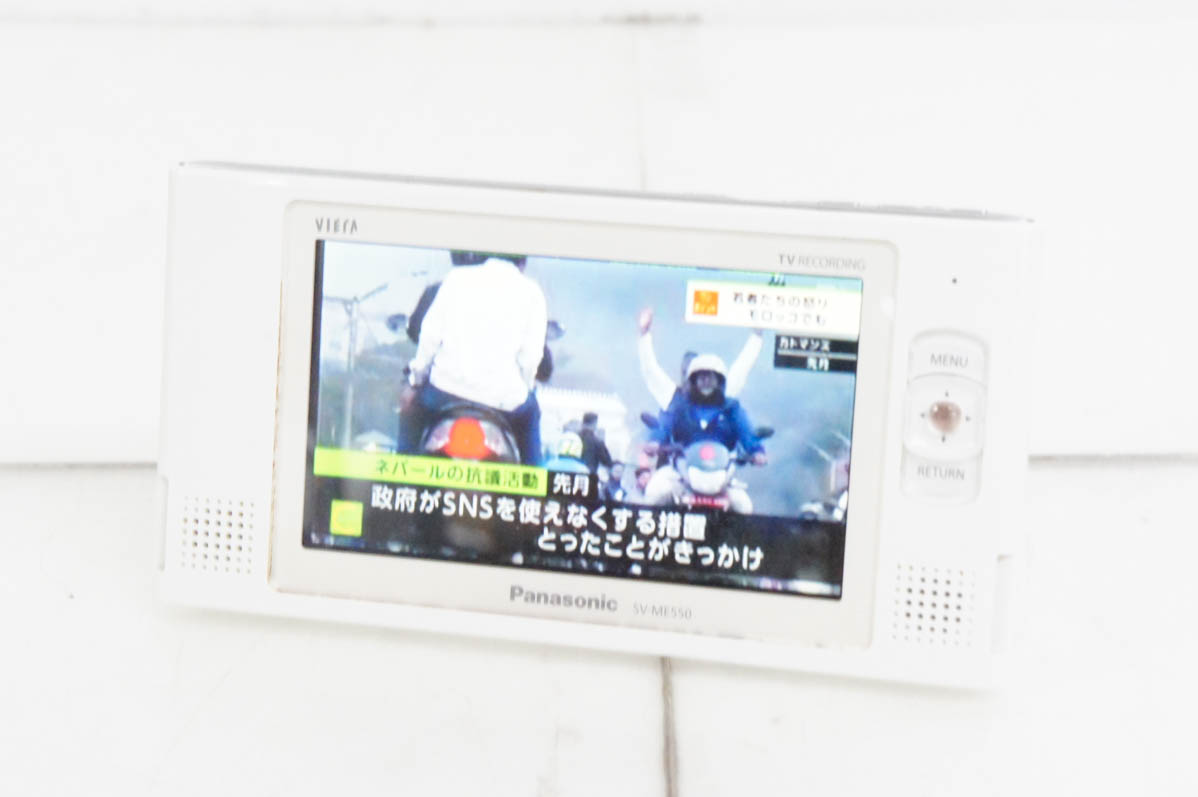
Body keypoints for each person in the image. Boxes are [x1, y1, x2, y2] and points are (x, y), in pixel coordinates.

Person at [400, 251, 547, 464]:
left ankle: (401, 477)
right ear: (523, 262)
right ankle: (535, 484)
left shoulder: (456, 279)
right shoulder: (533, 293)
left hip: (444, 391)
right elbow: (530, 358)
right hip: (505, 401)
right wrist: (524, 388)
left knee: (410, 412)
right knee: (531, 416)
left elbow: (429, 338)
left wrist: (416, 380)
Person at [642, 354, 766, 510]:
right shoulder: (680, 405)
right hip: (681, 471)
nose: (706, 382)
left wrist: (757, 451)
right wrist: (655, 442)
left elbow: (746, 431)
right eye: (701, 378)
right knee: (655, 493)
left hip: (721, 474)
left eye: (710, 377)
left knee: (743, 505)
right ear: (693, 381)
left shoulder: (731, 408)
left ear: (719, 381)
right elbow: (664, 425)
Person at [636, 306, 763, 412]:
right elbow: (650, 371)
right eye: (685, 372)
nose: (688, 377)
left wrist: (756, 336)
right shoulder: (673, 398)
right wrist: (644, 334)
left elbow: (741, 368)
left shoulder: (722, 395)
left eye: (697, 374)